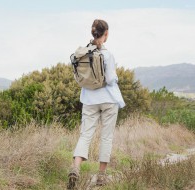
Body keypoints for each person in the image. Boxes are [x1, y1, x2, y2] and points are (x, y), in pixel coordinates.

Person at [67, 19, 126, 189]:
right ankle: (101, 176)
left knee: (85, 135)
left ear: (93, 33)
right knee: (106, 137)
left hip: (89, 99)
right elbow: (109, 79)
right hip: (108, 100)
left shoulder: (83, 52)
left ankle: (76, 168)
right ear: (106, 34)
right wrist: (116, 77)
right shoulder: (107, 55)